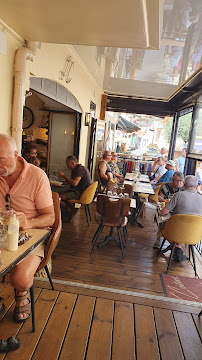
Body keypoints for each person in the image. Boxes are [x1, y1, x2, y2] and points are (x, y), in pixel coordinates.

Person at [0, 134, 55, 322]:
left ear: (16, 154)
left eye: (1, 160)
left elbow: (51, 216)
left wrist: (29, 223)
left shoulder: (37, 176)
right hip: (1, 235)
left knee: (20, 279)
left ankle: (21, 294)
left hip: (31, 236)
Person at [160, 175, 202, 261]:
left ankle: (176, 249)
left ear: (184, 185)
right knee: (182, 231)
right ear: (197, 186)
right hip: (194, 234)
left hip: (175, 232)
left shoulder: (178, 195)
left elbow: (163, 212)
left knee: (161, 224)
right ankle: (177, 249)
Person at [153, 171, 184, 249]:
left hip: (178, 210)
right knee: (163, 218)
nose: (179, 182)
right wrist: (166, 201)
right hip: (167, 207)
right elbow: (160, 197)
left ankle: (177, 243)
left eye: (180, 180)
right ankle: (159, 238)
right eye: (177, 180)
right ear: (173, 180)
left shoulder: (183, 189)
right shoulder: (166, 186)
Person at [58, 155, 91, 220]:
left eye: (68, 164)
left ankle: (69, 210)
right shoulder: (77, 169)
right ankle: (70, 209)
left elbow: (74, 183)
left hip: (80, 193)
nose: (67, 166)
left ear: (73, 163)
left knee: (57, 198)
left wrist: (64, 176)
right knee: (58, 194)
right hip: (79, 191)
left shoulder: (79, 169)